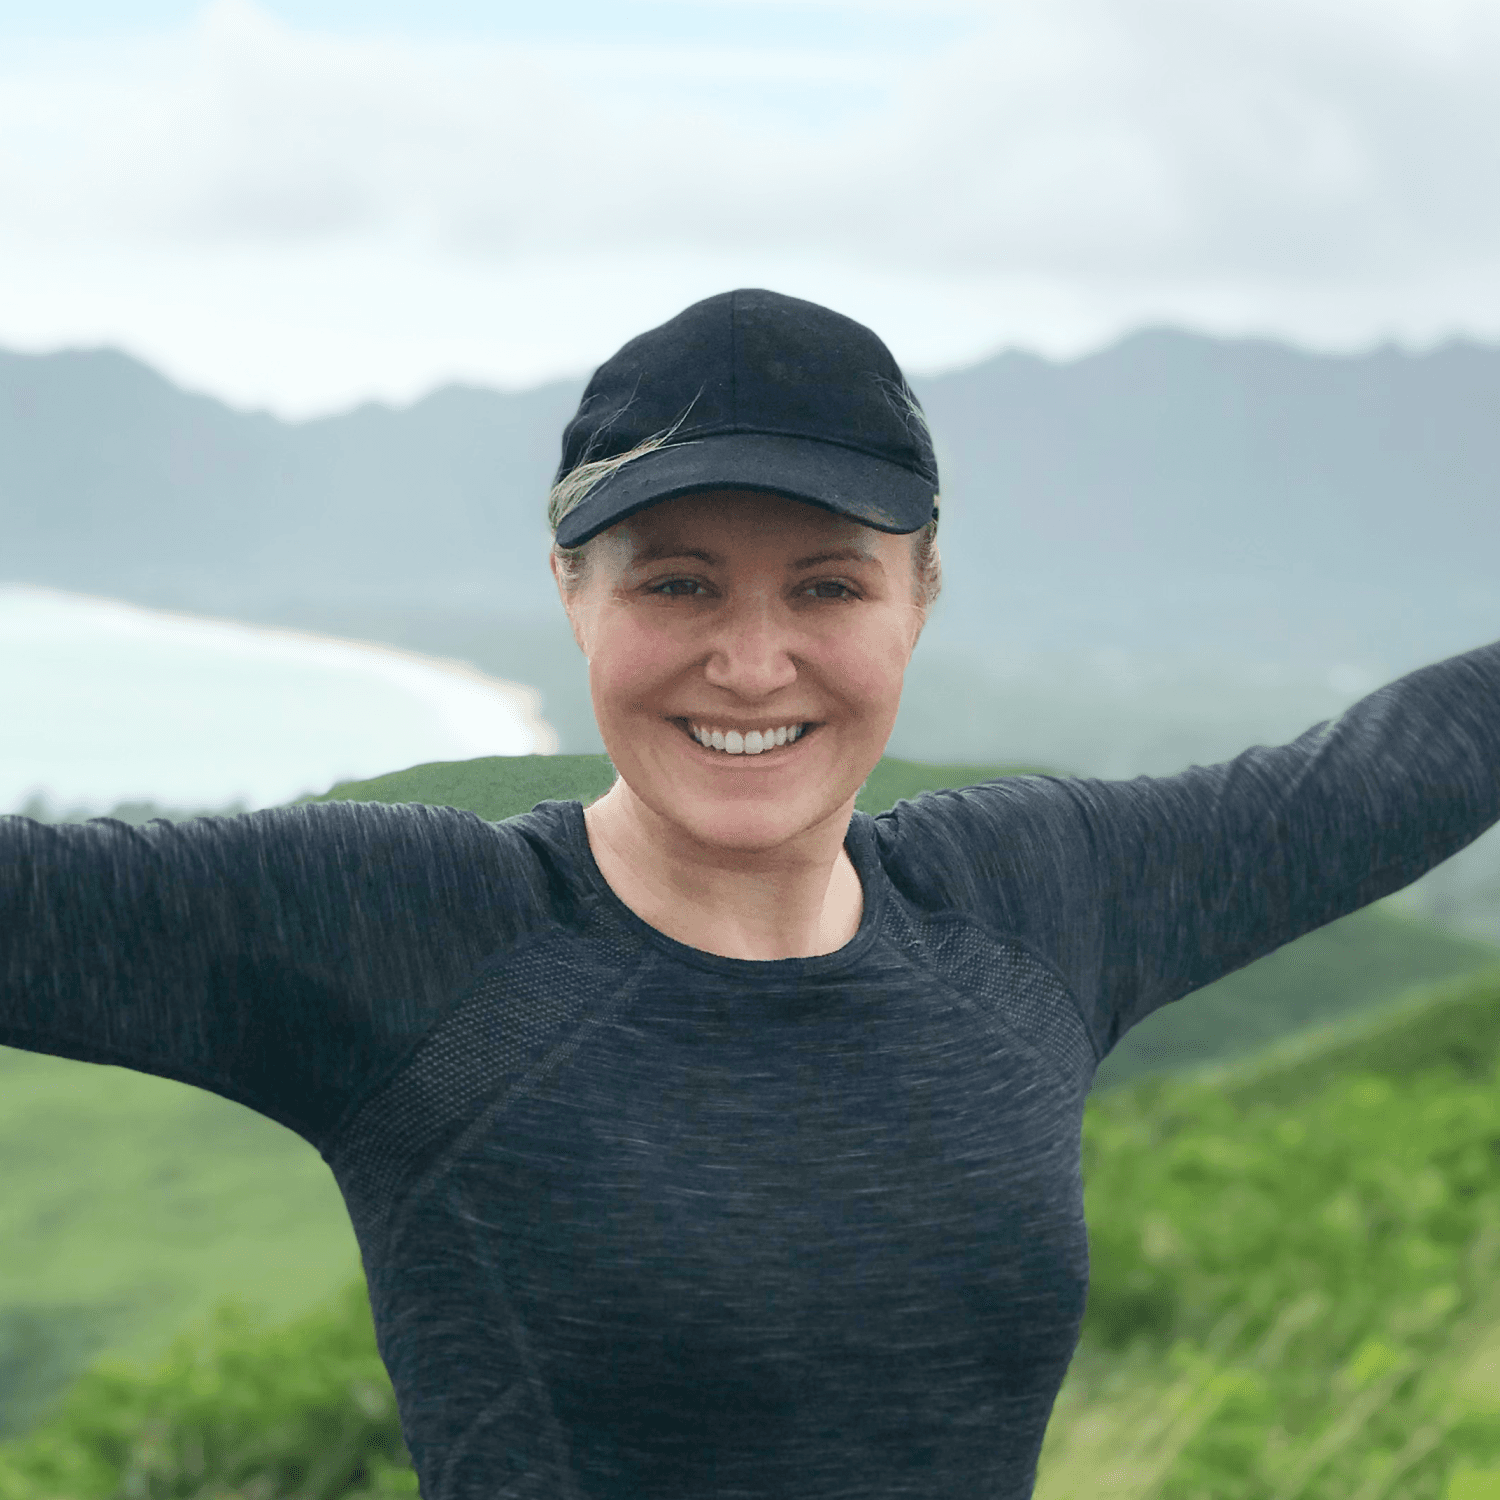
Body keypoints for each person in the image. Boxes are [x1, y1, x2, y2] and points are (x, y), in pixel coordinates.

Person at [2, 287, 1498, 1500]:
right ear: (570, 595)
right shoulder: (414, 941)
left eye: (830, 586)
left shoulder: (1038, 904)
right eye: (677, 582)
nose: (753, 662)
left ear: (921, 599)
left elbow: (1383, 775)